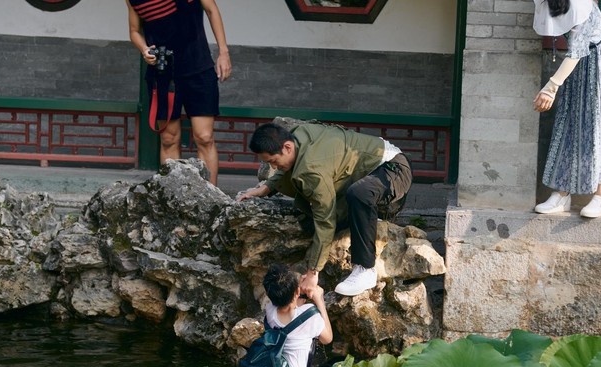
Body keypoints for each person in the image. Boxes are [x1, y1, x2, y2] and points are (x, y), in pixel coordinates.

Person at [236, 122, 413, 297]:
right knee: (308, 221)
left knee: (358, 195)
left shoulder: (312, 168)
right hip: (365, 175)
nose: (274, 167)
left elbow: (325, 220)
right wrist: (266, 188)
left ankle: (365, 269)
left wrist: (313, 272)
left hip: (393, 170)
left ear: (287, 147)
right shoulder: (298, 136)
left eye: (274, 161)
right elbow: (290, 166)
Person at [532, 0, 601, 219]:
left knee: (599, 128)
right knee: (568, 124)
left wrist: (551, 87)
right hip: (576, 69)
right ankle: (562, 193)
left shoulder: (584, 6)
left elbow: (577, 50)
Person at [126, 0, 232, 186]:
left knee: (205, 137)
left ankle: (212, 197)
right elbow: (134, 31)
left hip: (199, 66)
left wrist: (223, 52)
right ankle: (172, 195)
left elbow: (211, 9)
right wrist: (144, 49)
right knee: (168, 138)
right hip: (163, 71)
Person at [262, 263, 333, 367]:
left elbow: (292, 311)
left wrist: (296, 291)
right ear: (296, 292)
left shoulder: (270, 311)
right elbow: (327, 338)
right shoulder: (310, 315)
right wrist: (319, 299)